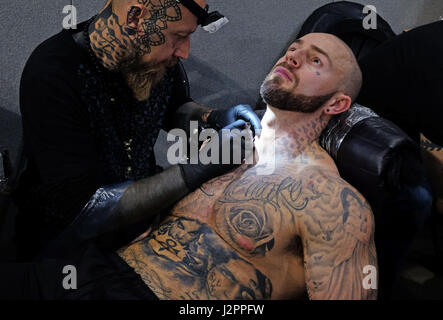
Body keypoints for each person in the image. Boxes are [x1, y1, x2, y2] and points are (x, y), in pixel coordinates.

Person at [1, 32, 376, 300]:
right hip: (94, 271)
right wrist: (212, 118)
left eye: (315, 61)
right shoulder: (224, 143)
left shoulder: (333, 201)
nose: (291, 56)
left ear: (336, 104)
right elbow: (170, 112)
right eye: (295, 48)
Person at [14, 0, 261, 260]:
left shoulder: (151, 56)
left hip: (139, 229)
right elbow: (83, 210)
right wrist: (191, 172)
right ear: (135, 17)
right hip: (66, 248)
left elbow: (173, 107)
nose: (184, 53)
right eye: (179, 36)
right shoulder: (53, 74)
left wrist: (211, 117)